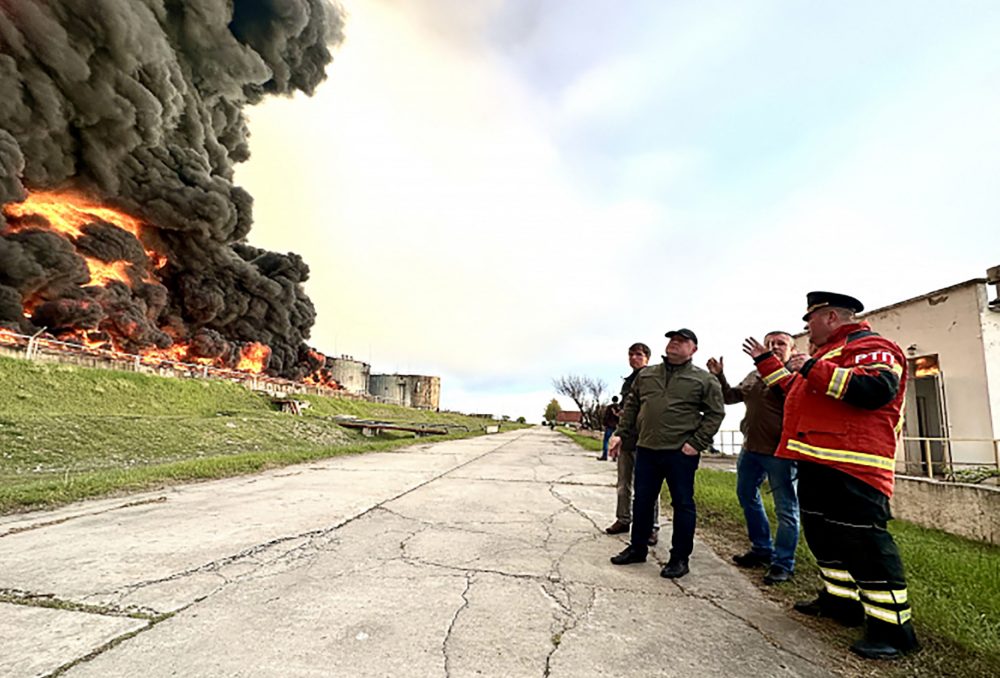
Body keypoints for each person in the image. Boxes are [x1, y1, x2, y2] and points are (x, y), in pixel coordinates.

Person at [747, 291, 919, 660]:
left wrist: (811, 367)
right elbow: (796, 389)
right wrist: (766, 362)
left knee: (864, 544)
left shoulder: (873, 345)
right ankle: (840, 603)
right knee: (824, 537)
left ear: (832, 317)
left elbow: (875, 390)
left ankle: (893, 630)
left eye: (810, 320)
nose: (806, 327)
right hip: (817, 461)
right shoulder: (825, 355)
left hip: (854, 465)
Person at [608, 329, 725, 578]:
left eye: (682, 341)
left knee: (682, 504)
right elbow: (631, 406)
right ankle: (637, 548)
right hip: (647, 448)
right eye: (672, 339)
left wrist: (697, 443)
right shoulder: (648, 375)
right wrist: (620, 433)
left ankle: (679, 558)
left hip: (680, 453)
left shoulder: (704, 380)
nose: (674, 343)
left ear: (693, 349)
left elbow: (716, 413)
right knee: (642, 501)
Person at [707, 332, 800, 585]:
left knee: (786, 509)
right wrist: (719, 376)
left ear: (793, 349)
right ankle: (761, 549)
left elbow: (794, 400)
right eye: (770, 343)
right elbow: (730, 397)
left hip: (781, 453)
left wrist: (771, 364)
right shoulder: (754, 375)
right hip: (750, 450)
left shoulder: (795, 376)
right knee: (747, 496)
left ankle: (783, 563)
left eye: (780, 343)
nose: (774, 347)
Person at [603, 343, 661, 545]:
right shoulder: (628, 381)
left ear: (647, 358)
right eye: (631, 354)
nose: (633, 358)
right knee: (623, 483)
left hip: (646, 440)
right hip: (627, 439)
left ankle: (652, 527)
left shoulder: (653, 378)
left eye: (638, 354)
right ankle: (623, 519)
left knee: (647, 487)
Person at [597, 395, 621, 460]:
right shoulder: (619, 407)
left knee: (606, 440)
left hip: (610, 426)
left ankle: (605, 455)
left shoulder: (609, 407)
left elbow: (606, 416)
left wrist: (604, 424)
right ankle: (614, 456)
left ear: (612, 400)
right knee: (616, 441)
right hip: (617, 426)